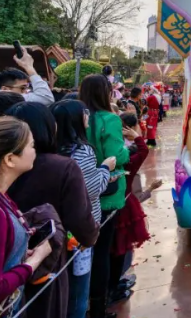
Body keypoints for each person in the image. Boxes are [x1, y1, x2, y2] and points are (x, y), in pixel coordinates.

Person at [6, 102, 99, 318]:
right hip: (52, 256)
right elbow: (80, 220)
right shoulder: (63, 166)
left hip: (11, 259)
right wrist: (91, 235)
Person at [0, 117, 54, 318]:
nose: (35, 150)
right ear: (10, 159)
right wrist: (34, 261)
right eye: (31, 145)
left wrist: (19, 250)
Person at [53, 99, 114, 318]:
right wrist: (105, 168)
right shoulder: (82, 151)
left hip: (59, 225)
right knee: (79, 289)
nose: (88, 116)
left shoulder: (54, 148)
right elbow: (92, 189)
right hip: (80, 230)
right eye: (84, 113)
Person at [80, 74, 131, 318]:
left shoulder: (78, 116)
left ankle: (85, 303)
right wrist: (127, 150)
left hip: (80, 189)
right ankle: (99, 305)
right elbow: (116, 155)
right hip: (106, 190)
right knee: (102, 250)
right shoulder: (109, 119)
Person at [110, 114, 151, 305]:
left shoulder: (104, 159)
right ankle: (113, 287)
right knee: (121, 248)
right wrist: (137, 137)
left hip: (109, 208)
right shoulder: (126, 160)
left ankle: (112, 285)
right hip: (123, 208)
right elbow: (143, 150)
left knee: (112, 249)